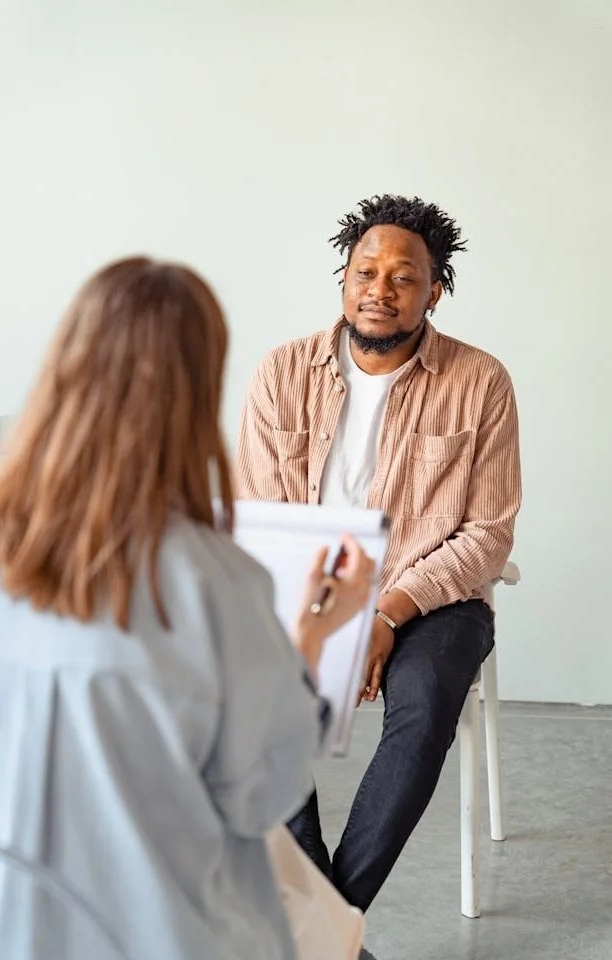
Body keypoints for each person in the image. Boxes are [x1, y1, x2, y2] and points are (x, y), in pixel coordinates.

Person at [0, 257, 375, 960]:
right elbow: (262, 795)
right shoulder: (214, 582)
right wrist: (311, 633)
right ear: (198, 392)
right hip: (162, 934)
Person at [236, 193, 522, 913]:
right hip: (308, 588)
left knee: (424, 708)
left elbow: (487, 533)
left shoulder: (480, 381)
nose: (380, 291)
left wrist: (388, 612)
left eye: (403, 277)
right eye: (366, 272)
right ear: (344, 278)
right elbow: (265, 517)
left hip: (431, 599)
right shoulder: (282, 372)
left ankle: (325, 922)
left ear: (436, 291)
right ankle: (328, 929)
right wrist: (335, 613)